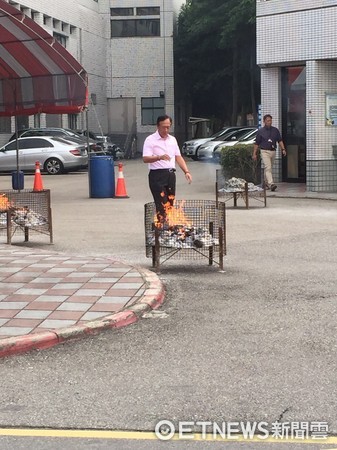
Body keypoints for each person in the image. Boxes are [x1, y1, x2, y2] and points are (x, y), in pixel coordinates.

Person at [143, 114, 192, 223]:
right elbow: (145, 158)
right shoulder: (150, 140)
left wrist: (186, 171)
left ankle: (169, 227)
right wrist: (159, 157)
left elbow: (178, 156)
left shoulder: (172, 140)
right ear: (158, 126)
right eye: (163, 127)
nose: (166, 129)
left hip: (170, 175)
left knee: (170, 203)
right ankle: (161, 229)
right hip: (157, 175)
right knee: (161, 203)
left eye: (168, 127)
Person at [253, 114, 286, 191]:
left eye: (270, 120)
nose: (269, 122)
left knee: (268, 168)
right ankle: (271, 184)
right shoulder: (260, 131)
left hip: (273, 151)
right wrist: (254, 153)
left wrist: (283, 149)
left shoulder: (275, 130)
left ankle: (265, 184)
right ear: (264, 121)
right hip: (264, 151)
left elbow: (279, 140)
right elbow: (257, 143)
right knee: (268, 167)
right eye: (268, 120)